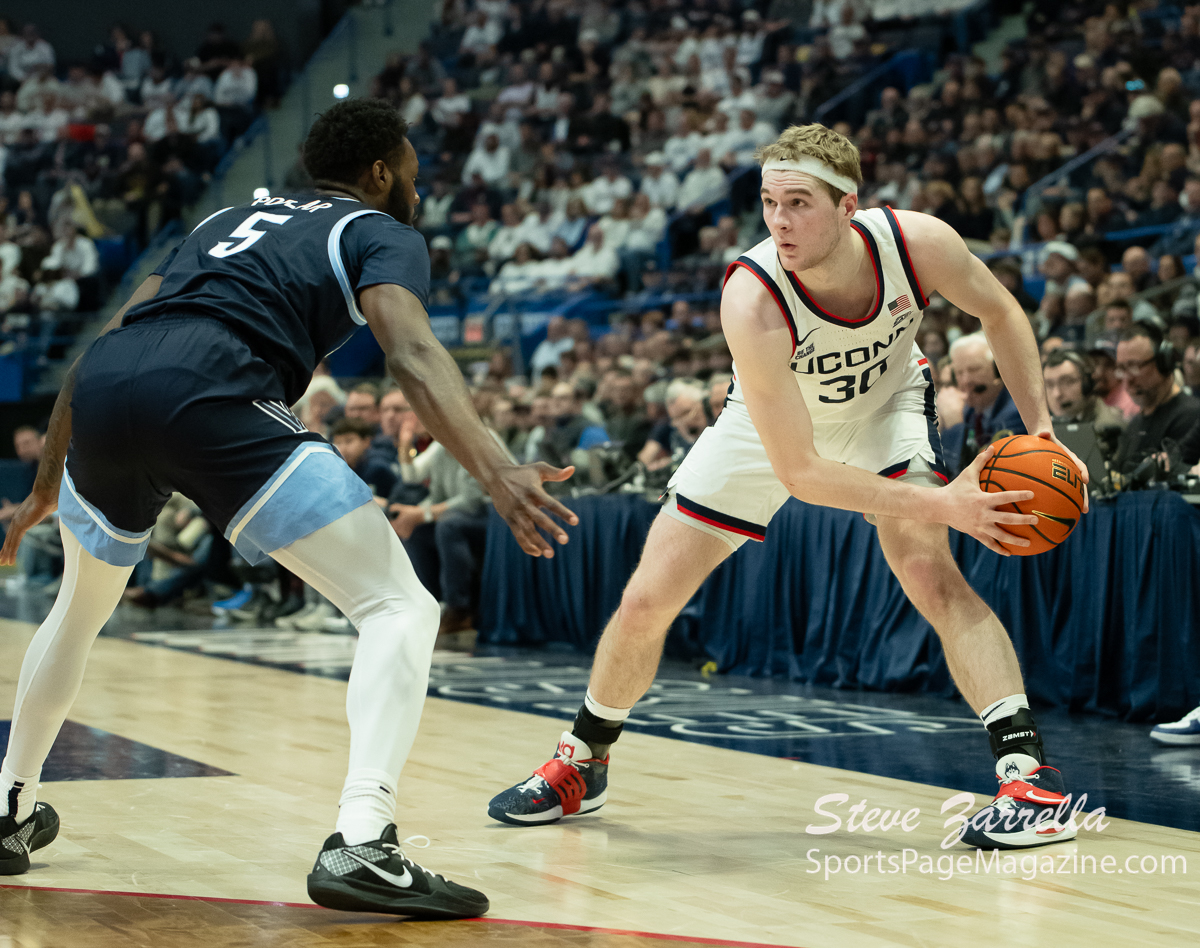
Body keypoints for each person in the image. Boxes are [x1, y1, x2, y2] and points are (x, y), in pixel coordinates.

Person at [0, 99, 579, 918]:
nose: (416, 190)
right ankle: (364, 840)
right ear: (379, 173)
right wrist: (497, 468)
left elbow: (107, 340)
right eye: (411, 173)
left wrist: (44, 482)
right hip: (211, 386)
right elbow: (412, 350)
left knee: (77, 611)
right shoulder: (377, 230)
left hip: (105, 388)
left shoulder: (224, 220)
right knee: (397, 605)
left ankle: (9, 807)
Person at [488, 123, 1089, 851]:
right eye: (770, 202)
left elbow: (1000, 311)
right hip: (769, 428)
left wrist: (1043, 428)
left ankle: (1028, 778)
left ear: (847, 206)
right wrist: (944, 501)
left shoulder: (918, 243)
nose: (779, 220)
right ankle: (583, 761)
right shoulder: (753, 296)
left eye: (799, 202)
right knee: (647, 598)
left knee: (930, 572)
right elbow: (801, 474)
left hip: (885, 407)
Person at [1111, 323, 1200, 477]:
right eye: (1122, 368)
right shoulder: (1136, 422)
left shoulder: (1190, 415)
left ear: (1163, 362)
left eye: (1134, 366)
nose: (1127, 379)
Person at [940, 333, 1027, 477]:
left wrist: (955, 426)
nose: (966, 381)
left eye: (974, 370)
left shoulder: (1016, 413)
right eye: (959, 373)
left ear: (998, 370)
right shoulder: (970, 409)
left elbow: (987, 474)